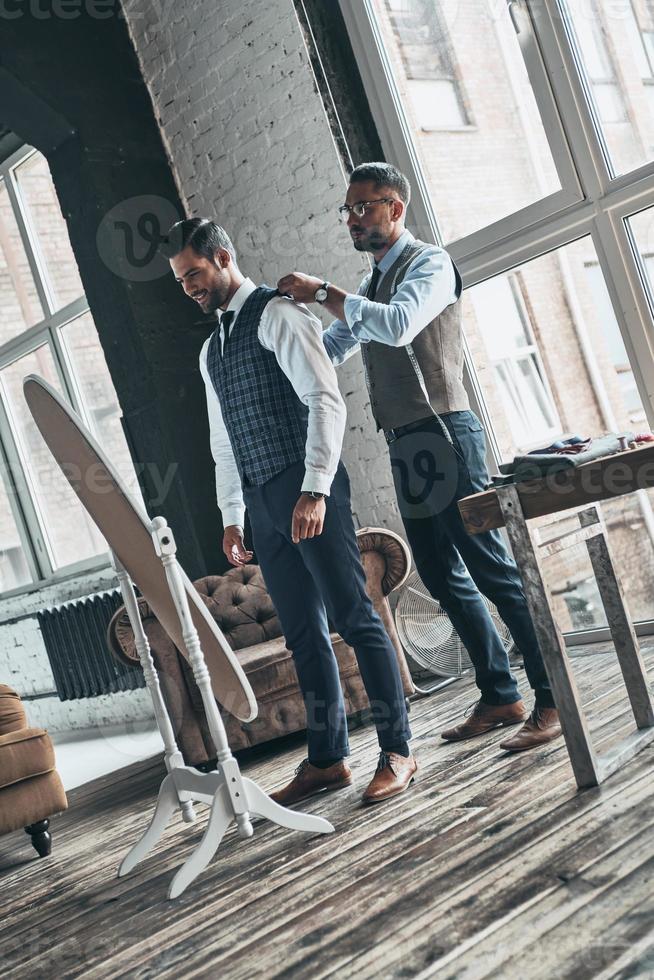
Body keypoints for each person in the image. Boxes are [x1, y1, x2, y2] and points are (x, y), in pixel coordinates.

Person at [277, 163, 561, 752]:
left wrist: (325, 293)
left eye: (364, 207)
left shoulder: (428, 264)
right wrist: (291, 358)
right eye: (348, 209)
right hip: (407, 443)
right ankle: (501, 694)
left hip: (446, 433)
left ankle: (553, 696)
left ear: (395, 208)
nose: (353, 218)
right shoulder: (372, 283)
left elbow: (401, 328)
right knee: (439, 573)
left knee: (491, 571)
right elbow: (339, 344)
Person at [162, 217, 416, 804]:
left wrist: (316, 488)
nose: (190, 287)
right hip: (260, 500)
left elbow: (324, 398)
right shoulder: (211, 348)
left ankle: (398, 750)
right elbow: (221, 438)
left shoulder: (278, 315)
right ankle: (328, 759)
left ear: (223, 256)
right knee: (304, 635)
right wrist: (232, 514)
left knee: (354, 618)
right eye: (180, 281)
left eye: (194, 273)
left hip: (308, 490)